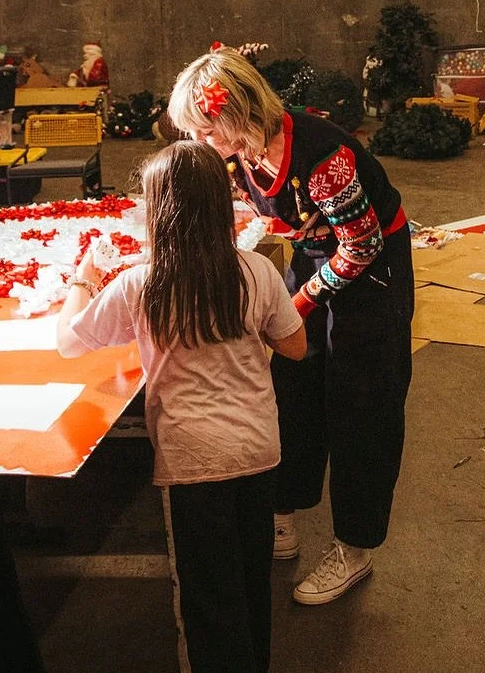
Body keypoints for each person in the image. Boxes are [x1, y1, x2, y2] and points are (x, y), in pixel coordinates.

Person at [56, 141, 306, 673]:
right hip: (258, 448)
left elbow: (68, 342)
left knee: (205, 596)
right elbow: (297, 347)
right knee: (248, 575)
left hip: (195, 461)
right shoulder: (256, 271)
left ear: (157, 213)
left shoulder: (143, 283)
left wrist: (80, 285)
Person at [168, 48, 414, 606]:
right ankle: (285, 510)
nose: (200, 143)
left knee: (361, 406)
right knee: (293, 384)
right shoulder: (238, 153)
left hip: (372, 273)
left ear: (234, 117)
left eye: (205, 130)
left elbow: (363, 245)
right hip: (315, 255)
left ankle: (354, 547)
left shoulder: (324, 156)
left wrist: (297, 300)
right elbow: (255, 213)